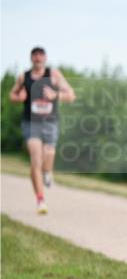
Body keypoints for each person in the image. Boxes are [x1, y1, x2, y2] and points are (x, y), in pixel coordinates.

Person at [8, 46, 75, 214]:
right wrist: (18, 97)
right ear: (31, 58)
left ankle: (48, 171)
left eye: (40, 55)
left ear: (45, 58)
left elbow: (71, 95)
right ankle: (40, 200)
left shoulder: (54, 75)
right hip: (31, 123)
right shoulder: (24, 77)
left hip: (50, 123)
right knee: (35, 160)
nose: (38, 58)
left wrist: (55, 95)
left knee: (48, 155)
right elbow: (12, 95)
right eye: (35, 55)